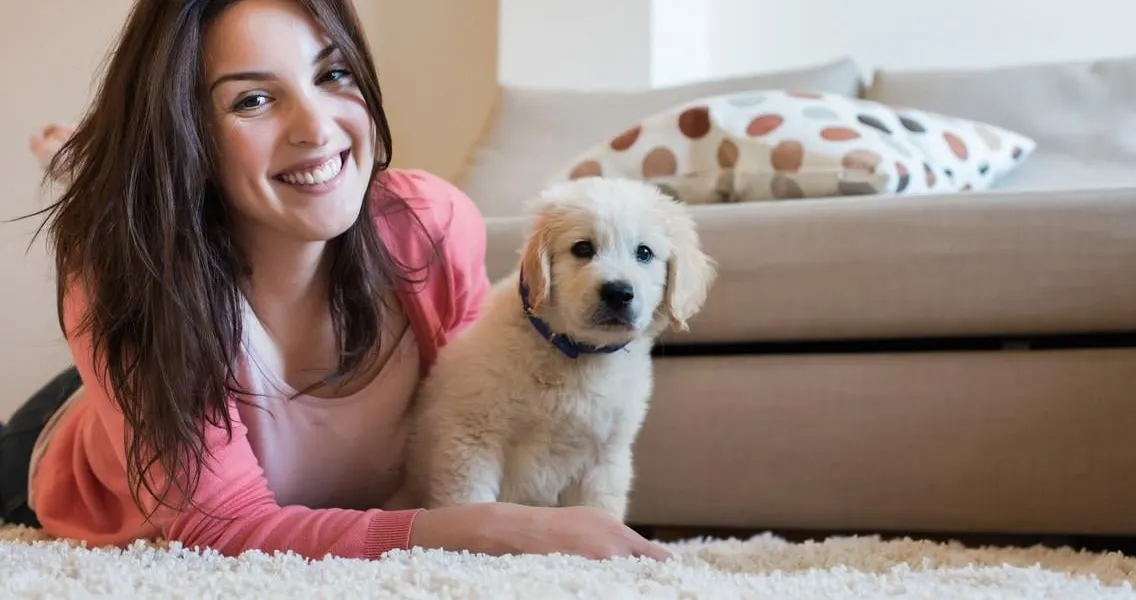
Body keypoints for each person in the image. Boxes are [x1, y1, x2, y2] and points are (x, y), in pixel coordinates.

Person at [0, 0, 671, 562]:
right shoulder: (128, 275)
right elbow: (222, 528)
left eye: (334, 74)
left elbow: (473, 415)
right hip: (68, 443)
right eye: (254, 100)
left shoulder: (431, 226)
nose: (318, 128)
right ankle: (109, 175)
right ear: (187, 134)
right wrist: (498, 527)